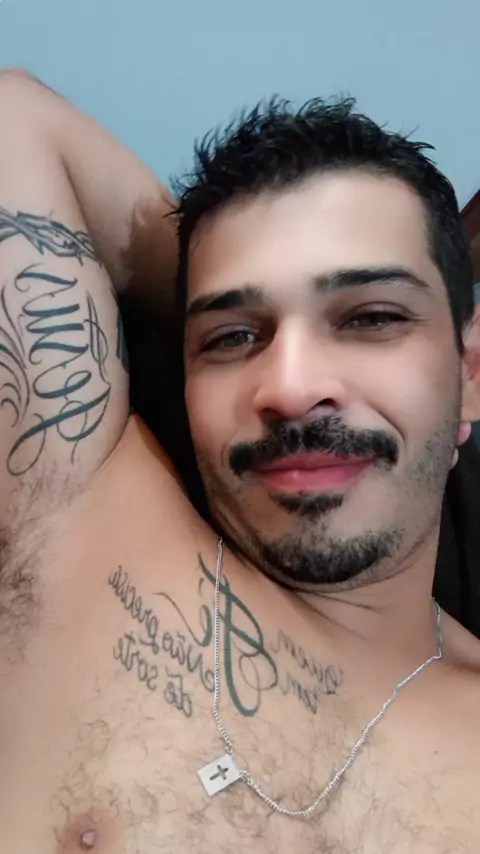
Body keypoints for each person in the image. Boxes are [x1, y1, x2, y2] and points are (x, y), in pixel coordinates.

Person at [0, 69, 479, 854]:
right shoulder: (80, 515)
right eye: (231, 338)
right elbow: (8, 116)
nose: (289, 388)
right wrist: (204, 268)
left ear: (470, 373)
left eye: (370, 317)